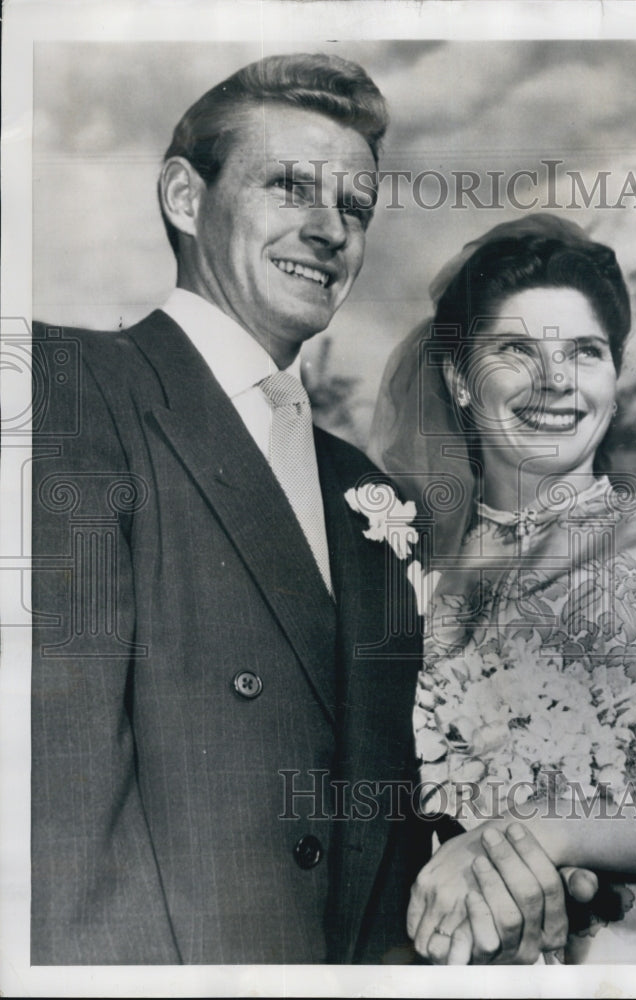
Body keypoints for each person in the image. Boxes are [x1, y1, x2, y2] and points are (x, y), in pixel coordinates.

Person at [31, 53, 432, 966]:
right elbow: (58, 812)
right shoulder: (67, 390)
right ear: (184, 196)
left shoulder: (369, 494)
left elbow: (392, 829)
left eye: (355, 207)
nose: (328, 230)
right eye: (290, 187)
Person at [371, 214, 636, 964]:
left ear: (614, 381)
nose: (556, 380)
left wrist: (539, 833)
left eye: (586, 352)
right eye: (516, 350)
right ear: (458, 378)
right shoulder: (404, 579)